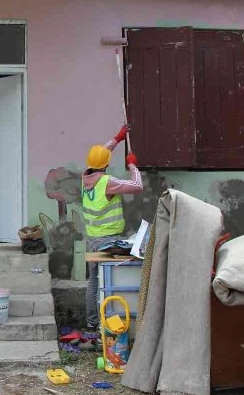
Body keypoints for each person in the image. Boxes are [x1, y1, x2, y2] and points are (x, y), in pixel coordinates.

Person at [83, 124, 143, 331]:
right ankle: (109, 323)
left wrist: (117, 139)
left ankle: (92, 323)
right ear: (106, 165)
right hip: (108, 241)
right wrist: (133, 167)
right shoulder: (107, 182)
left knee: (93, 282)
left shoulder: (86, 178)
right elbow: (137, 186)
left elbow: (101, 155)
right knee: (111, 281)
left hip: (92, 239)